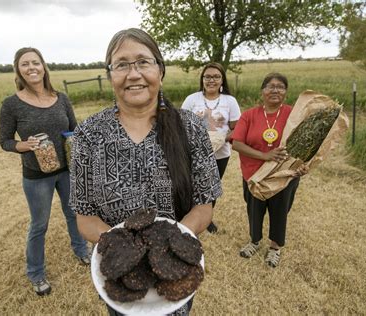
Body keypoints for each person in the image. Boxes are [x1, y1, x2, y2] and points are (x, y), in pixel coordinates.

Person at [69, 28, 222, 315]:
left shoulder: (191, 129)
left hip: (176, 270)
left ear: (160, 70)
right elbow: (85, 217)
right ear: (110, 74)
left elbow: (204, 205)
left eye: (143, 62)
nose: (133, 73)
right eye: (122, 64)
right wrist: (127, 257)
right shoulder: (88, 135)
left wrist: (170, 251)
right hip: (119, 275)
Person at [0, 47, 90, 296]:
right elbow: (5, 140)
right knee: (39, 224)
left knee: (74, 213)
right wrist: (22, 145)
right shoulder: (11, 104)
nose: (31, 68)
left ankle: (82, 251)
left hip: (67, 170)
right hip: (36, 175)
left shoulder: (60, 98)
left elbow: (75, 128)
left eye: (35, 62)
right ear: (18, 70)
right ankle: (36, 273)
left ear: (43, 66)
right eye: (25, 64)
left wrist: (80, 141)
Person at [230, 73, 308, 268]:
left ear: (286, 92)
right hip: (254, 174)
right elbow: (237, 144)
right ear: (262, 91)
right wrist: (265, 156)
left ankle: (275, 248)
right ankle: (254, 242)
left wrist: (304, 164)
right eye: (270, 86)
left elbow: (308, 143)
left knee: (280, 211)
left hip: (283, 175)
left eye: (280, 86)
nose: (275, 90)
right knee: (254, 210)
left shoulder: (293, 115)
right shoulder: (249, 115)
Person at [181, 62, 241, 233]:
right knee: (191, 185)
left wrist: (225, 138)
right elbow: (181, 124)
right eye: (207, 76)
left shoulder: (230, 101)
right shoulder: (192, 99)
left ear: (222, 80)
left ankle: (207, 219)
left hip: (220, 154)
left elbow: (237, 127)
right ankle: (189, 215)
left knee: (211, 187)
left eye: (216, 76)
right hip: (193, 154)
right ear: (202, 79)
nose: (211, 80)